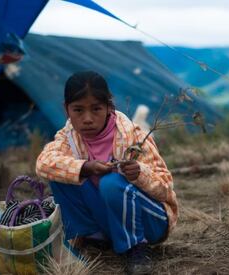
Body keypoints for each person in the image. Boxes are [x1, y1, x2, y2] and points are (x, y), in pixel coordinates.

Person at [36, 71, 178, 275]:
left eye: (96, 109)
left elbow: (165, 187)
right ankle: (93, 236)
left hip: (151, 223)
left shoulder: (132, 136)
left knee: (111, 183)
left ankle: (135, 247)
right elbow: (43, 163)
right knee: (61, 174)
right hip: (110, 223)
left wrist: (139, 173)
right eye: (78, 110)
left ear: (109, 107)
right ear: (66, 109)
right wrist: (85, 167)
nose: (87, 119)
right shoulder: (68, 137)